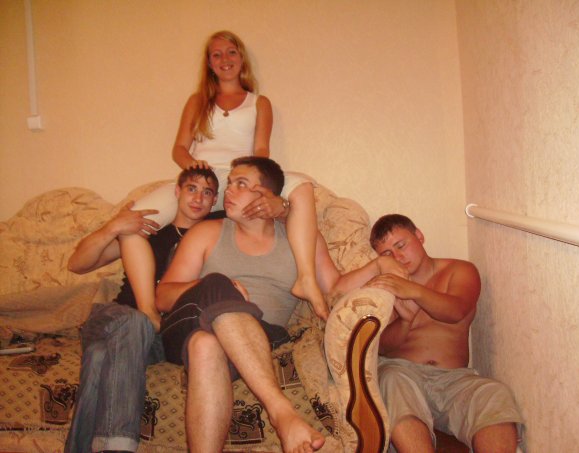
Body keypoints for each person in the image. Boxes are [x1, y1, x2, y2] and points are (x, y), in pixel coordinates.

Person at [120, 30, 328, 331]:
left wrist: (262, 189)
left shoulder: (259, 102)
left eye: (231, 52)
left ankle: (306, 278)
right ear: (209, 63)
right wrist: (192, 166)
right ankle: (148, 312)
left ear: (241, 58)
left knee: (303, 185)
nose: (224, 59)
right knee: (131, 222)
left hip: (239, 180)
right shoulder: (198, 101)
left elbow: (261, 151)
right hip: (203, 181)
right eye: (216, 54)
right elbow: (179, 149)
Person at [156, 157, 341, 453]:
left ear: (267, 195)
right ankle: (281, 413)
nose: (228, 190)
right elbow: (163, 296)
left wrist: (379, 268)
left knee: (205, 345)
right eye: (230, 183)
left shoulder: (302, 239)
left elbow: (335, 288)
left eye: (240, 184)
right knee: (217, 283)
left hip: (261, 336)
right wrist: (215, 288)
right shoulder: (207, 232)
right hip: (187, 325)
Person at [336, 214, 524, 453]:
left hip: (453, 379)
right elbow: (383, 346)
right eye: (387, 254)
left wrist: (414, 291)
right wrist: (405, 321)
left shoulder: (459, 270)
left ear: (419, 236)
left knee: (493, 393)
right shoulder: (387, 286)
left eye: (401, 245)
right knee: (390, 378)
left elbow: (456, 311)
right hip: (403, 374)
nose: (398, 257)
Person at [64, 167, 219, 453]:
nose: (198, 198)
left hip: (157, 338)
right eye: (191, 189)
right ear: (177, 192)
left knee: (99, 357)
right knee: (135, 321)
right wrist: (113, 226)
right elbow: (77, 264)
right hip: (115, 318)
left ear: (215, 201)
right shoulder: (149, 231)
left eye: (207, 192)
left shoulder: (216, 234)